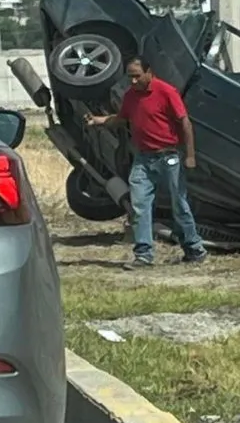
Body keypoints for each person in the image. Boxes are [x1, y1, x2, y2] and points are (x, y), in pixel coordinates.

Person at [86, 57, 207, 269]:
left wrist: (189, 156)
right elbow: (121, 119)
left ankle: (194, 248)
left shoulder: (166, 92)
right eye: (130, 77)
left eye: (137, 76)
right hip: (143, 159)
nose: (133, 81)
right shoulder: (131, 96)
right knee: (140, 205)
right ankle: (143, 255)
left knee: (179, 204)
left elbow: (184, 123)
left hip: (169, 156)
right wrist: (99, 120)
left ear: (149, 72)